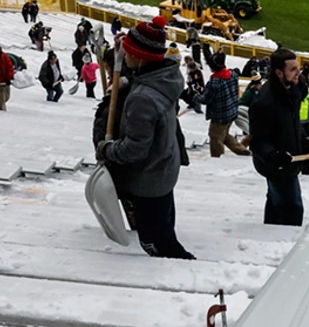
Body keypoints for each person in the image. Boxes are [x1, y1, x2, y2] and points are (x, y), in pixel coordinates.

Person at [93, 17, 195, 259]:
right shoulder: (167, 74)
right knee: (165, 230)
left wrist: (107, 149)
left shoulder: (143, 98)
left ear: (139, 56)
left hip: (148, 180)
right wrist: (123, 52)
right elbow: (143, 70)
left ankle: (179, 271)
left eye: (129, 51)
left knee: (155, 242)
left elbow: (134, 149)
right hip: (163, 170)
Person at [249, 49, 309, 226]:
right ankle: (284, 242)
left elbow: (292, 124)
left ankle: (271, 232)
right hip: (276, 164)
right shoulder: (265, 103)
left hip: (291, 158)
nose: (298, 73)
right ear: (278, 72)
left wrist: (306, 146)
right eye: (292, 69)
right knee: (291, 207)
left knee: (276, 202)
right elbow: (257, 141)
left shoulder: (293, 90)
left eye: (297, 68)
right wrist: (273, 156)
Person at [195, 52, 250, 157]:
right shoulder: (232, 74)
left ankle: (217, 158)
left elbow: (205, 99)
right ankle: (242, 150)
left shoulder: (215, 82)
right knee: (223, 135)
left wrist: (194, 96)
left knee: (215, 137)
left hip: (220, 116)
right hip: (232, 112)